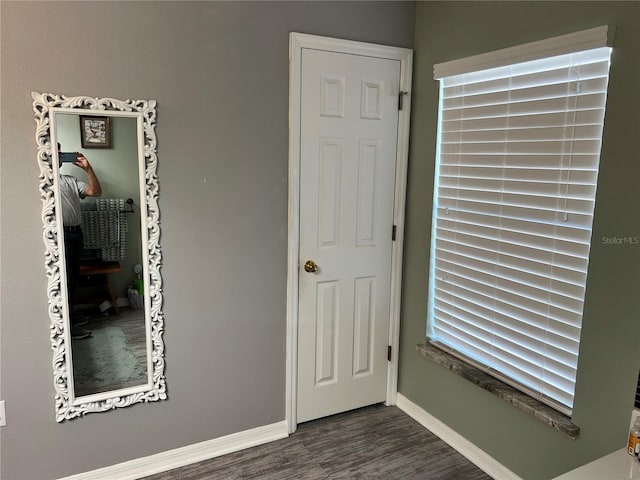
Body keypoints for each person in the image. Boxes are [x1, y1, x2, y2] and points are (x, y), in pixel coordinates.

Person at [58, 144, 102, 340]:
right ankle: (67, 325)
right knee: (64, 281)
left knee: (73, 278)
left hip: (76, 234)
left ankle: (70, 316)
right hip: (60, 237)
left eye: (60, 153)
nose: (58, 156)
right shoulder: (42, 181)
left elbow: (95, 191)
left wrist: (87, 168)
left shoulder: (69, 180)